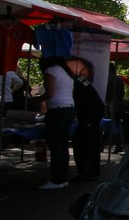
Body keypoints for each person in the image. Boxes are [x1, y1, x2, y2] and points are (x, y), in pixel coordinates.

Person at [63, 56, 104, 183]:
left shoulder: (75, 82)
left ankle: (86, 172)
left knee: (83, 143)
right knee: (89, 143)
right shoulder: (81, 81)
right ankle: (91, 172)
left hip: (89, 116)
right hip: (92, 115)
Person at [39, 55, 75, 190]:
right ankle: (63, 177)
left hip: (57, 110)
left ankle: (57, 179)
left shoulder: (51, 71)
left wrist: (37, 99)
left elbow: (50, 93)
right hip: (69, 108)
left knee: (56, 145)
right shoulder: (66, 72)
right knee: (63, 145)